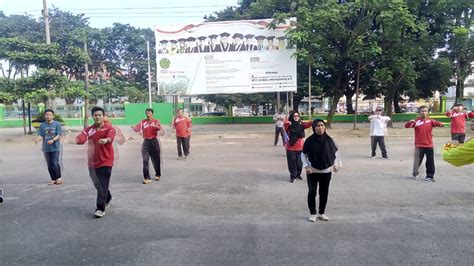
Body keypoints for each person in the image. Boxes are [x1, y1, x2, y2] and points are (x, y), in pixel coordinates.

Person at [75, 107, 116, 218]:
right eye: (95, 115)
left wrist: (106, 140)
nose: (97, 117)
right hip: (92, 162)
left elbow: (110, 138)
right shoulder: (88, 130)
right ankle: (108, 197)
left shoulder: (109, 129)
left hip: (106, 161)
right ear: (92, 116)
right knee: (98, 184)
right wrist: (75, 140)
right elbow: (81, 138)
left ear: (103, 116)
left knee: (102, 184)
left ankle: (100, 208)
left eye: (99, 115)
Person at [302, 119, 342, 222]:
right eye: (318, 126)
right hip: (312, 171)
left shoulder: (330, 140)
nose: (320, 128)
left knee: (324, 193)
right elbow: (303, 154)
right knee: (312, 192)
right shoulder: (309, 140)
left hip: (326, 171)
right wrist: (306, 166)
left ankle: (321, 213)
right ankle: (313, 213)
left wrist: (337, 164)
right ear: (314, 128)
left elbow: (336, 152)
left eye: (322, 125)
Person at [405, 106, 444, 182]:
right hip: (419, 145)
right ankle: (415, 173)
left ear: (427, 112)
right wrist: (410, 122)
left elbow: (439, 124)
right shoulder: (416, 121)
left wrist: (441, 124)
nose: (424, 112)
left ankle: (430, 176)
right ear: (419, 112)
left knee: (430, 162)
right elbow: (406, 126)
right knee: (417, 161)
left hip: (429, 145)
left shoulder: (431, 121)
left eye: (425, 111)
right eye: (422, 111)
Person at [132, 108, 162, 184]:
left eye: (149, 113)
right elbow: (137, 128)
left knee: (156, 159)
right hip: (146, 142)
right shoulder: (143, 121)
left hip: (154, 142)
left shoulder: (156, 121)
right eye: (147, 113)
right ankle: (146, 177)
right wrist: (134, 128)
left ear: (152, 113)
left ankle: (158, 174)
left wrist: (154, 126)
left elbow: (159, 128)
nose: (148, 114)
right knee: (145, 160)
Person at [35, 109, 63, 185]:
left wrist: (53, 140)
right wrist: (37, 139)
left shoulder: (57, 124)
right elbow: (40, 134)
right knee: (49, 164)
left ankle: (59, 178)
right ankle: (53, 179)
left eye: (50, 115)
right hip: (46, 148)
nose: (48, 116)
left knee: (54, 163)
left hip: (55, 147)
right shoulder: (42, 125)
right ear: (45, 116)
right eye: (46, 115)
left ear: (53, 116)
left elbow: (58, 134)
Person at [284, 111, 312, 183]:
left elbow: (309, 124)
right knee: (292, 163)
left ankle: (298, 174)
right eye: (294, 116)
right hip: (290, 147)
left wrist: (316, 121)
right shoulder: (289, 125)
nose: (296, 117)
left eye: (297, 116)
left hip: (300, 147)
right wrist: (288, 121)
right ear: (292, 117)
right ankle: (293, 176)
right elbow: (285, 123)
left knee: (300, 163)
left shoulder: (301, 124)